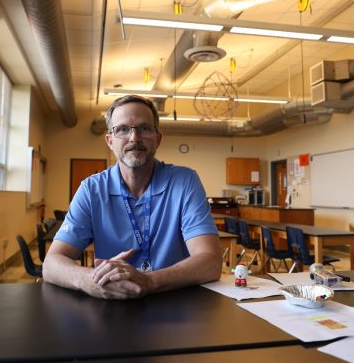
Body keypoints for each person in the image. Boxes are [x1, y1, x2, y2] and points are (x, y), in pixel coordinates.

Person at [43, 95, 222, 299]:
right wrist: (90, 280)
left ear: (158, 138)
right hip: (111, 303)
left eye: (144, 128)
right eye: (122, 129)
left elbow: (211, 262)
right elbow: (51, 264)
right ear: (110, 141)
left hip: (174, 302)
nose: (134, 138)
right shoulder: (91, 189)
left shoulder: (184, 181)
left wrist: (149, 281)